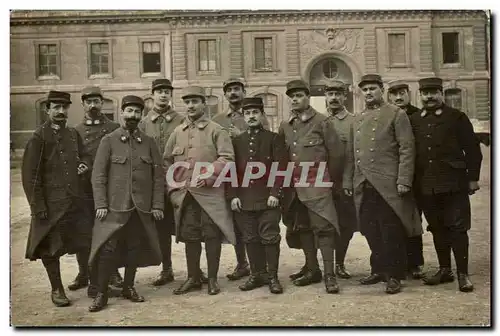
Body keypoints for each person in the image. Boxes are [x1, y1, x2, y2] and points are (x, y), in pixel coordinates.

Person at [343, 74, 422, 294]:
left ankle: (395, 275)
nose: (368, 93)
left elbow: (407, 149)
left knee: (391, 230)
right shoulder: (357, 119)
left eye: (372, 89)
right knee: (369, 228)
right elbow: (351, 154)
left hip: (388, 184)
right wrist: (349, 180)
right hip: (363, 183)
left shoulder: (396, 114)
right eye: (365, 89)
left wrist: (404, 180)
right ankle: (378, 269)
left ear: (381, 90)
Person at [88, 95, 164, 312]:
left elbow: (158, 177)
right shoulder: (108, 141)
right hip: (113, 208)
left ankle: (128, 287)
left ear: (141, 115)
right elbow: (98, 176)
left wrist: (157, 205)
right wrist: (101, 204)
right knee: (107, 250)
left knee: (134, 248)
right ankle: (101, 293)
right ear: (122, 113)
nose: (132, 116)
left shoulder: (149, 143)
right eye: (129, 111)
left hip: (140, 210)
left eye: (137, 112)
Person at [410, 77, 482, 292]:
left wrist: (472, 178)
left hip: (453, 183)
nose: (429, 97)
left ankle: (463, 274)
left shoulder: (456, 117)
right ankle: (444, 270)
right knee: (437, 228)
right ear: (420, 95)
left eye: (434, 92)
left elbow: (472, 149)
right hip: (426, 184)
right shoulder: (414, 120)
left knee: (458, 228)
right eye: (425, 93)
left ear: (441, 94)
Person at [22, 90, 92, 307]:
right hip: (51, 205)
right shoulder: (38, 138)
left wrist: (84, 164)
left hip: (74, 201)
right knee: (51, 249)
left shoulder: (73, 134)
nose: (61, 111)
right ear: (47, 109)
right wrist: (38, 206)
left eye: (65, 107)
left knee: (84, 241)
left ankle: (85, 277)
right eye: (56, 107)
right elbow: (30, 176)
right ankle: (57, 289)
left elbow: (86, 155)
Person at [164, 86, 236, 295]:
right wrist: (173, 190)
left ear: (204, 104)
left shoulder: (216, 130)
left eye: (195, 101)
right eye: (187, 102)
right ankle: (193, 277)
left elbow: (227, 158)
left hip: (210, 196)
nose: (191, 106)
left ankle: (212, 279)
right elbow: (167, 162)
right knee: (190, 236)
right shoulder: (178, 132)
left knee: (211, 235)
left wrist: (209, 174)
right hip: (186, 196)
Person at [139, 79, 209, 286]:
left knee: (190, 224)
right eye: (159, 91)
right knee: (161, 228)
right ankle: (166, 268)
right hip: (155, 184)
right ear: (152, 95)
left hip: (180, 181)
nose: (163, 95)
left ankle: (194, 271)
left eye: (167, 92)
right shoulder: (144, 123)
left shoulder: (181, 120)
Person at [280, 79, 344, 294]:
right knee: (303, 228)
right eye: (292, 96)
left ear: (308, 97)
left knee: (324, 230)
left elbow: (336, 154)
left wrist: (330, 183)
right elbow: (283, 157)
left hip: (318, 186)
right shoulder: (286, 125)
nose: (295, 100)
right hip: (295, 188)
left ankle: (329, 275)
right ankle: (312, 269)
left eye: (299, 95)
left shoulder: (322, 122)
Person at [212, 78, 270, 281]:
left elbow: (264, 143)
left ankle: (261, 266)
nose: (233, 93)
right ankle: (241, 263)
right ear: (225, 94)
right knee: (236, 222)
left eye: (237, 89)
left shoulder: (256, 115)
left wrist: (240, 135)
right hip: (230, 175)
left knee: (255, 222)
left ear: (244, 91)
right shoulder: (218, 119)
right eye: (229, 90)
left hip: (253, 176)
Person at [229, 97, 287, 294]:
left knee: (270, 237)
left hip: (268, 199)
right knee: (250, 238)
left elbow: (281, 169)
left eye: (255, 112)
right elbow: (232, 171)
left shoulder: (273, 139)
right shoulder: (237, 142)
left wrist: (275, 193)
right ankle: (256, 275)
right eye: (248, 113)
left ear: (262, 114)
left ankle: (272, 277)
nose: (251, 116)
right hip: (244, 199)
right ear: (243, 117)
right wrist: (234, 195)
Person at [74, 86, 123, 298]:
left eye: (96, 101)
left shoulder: (114, 127)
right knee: (84, 232)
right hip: (85, 190)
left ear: (102, 103)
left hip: (109, 188)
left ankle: (113, 272)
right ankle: (84, 272)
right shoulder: (75, 131)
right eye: (89, 102)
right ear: (83, 105)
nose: (93, 105)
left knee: (111, 231)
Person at [387, 80, 425, 279]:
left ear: (409, 94)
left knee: (413, 221)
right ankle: (399, 262)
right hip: (395, 177)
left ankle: (415, 263)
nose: (398, 97)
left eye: (402, 93)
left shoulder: (418, 116)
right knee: (395, 221)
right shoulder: (387, 116)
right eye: (394, 94)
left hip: (418, 177)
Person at [324, 80, 357, 279]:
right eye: (330, 94)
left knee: (345, 225)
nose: (334, 98)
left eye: (338, 93)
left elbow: (353, 155)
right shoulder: (319, 121)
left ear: (345, 97)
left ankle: (340, 263)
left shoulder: (354, 121)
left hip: (344, 184)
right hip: (321, 182)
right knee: (322, 225)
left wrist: (347, 181)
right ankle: (319, 266)